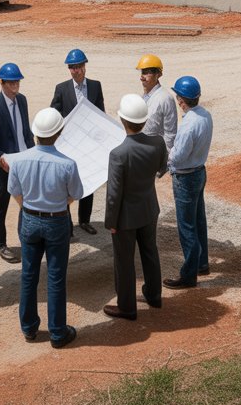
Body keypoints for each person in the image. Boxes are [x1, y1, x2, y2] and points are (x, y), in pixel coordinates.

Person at [7, 106, 83, 348]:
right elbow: (75, 194)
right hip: (56, 220)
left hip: (29, 218)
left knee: (28, 275)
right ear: (59, 133)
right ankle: (58, 333)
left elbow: (15, 193)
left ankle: (29, 328)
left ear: (35, 132)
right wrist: (57, 204)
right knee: (56, 276)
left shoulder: (18, 160)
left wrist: (29, 207)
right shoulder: (67, 164)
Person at [103, 93, 168, 321]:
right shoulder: (158, 143)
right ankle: (154, 295)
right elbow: (162, 167)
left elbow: (114, 195)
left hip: (126, 217)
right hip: (149, 209)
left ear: (122, 120)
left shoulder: (118, 154)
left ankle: (127, 306)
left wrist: (111, 222)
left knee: (124, 260)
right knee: (150, 252)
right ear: (144, 120)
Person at [0, 62, 34, 262]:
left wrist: (32, 151)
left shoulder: (23, 101)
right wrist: (0, 158)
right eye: (11, 83)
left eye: (17, 82)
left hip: (23, 162)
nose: (15, 87)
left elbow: (25, 131)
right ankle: (0, 244)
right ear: (2, 83)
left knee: (26, 204)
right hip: (3, 167)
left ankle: (26, 239)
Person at [164, 75, 213, 290]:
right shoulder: (205, 115)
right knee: (198, 220)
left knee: (186, 227)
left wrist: (164, 154)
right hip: (200, 172)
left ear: (181, 100)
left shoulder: (188, 125)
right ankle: (202, 263)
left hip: (185, 177)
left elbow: (177, 157)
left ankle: (188, 275)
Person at [51, 47, 105, 236]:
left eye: (79, 66)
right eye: (72, 67)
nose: (76, 70)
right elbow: (53, 115)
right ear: (69, 69)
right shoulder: (62, 89)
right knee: (66, 184)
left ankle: (84, 220)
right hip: (69, 145)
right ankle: (67, 223)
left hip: (88, 145)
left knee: (87, 182)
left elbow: (101, 115)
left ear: (85, 66)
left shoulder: (96, 86)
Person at [136, 54, 178, 149]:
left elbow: (170, 135)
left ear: (158, 74)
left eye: (147, 73)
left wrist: (164, 159)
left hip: (155, 155)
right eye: (142, 72)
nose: (142, 77)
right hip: (141, 151)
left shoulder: (166, 99)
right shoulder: (143, 97)